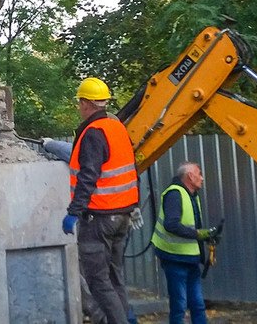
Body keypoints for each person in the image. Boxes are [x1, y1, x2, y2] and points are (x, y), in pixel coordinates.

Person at [61, 77, 140, 324]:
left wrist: (74, 211)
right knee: (115, 279)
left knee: (98, 281)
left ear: (85, 103)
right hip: (122, 216)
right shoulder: (117, 128)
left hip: (99, 218)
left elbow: (88, 176)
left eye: (79, 103)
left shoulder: (93, 132)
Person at [150, 162, 223, 324]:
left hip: (189, 259)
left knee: (197, 305)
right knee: (180, 306)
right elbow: (172, 225)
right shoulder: (175, 194)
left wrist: (206, 236)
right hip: (175, 258)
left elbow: (189, 226)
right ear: (190, 176)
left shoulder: (191, 195)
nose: (202, 178)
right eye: (199, 174)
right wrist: (199, 234)